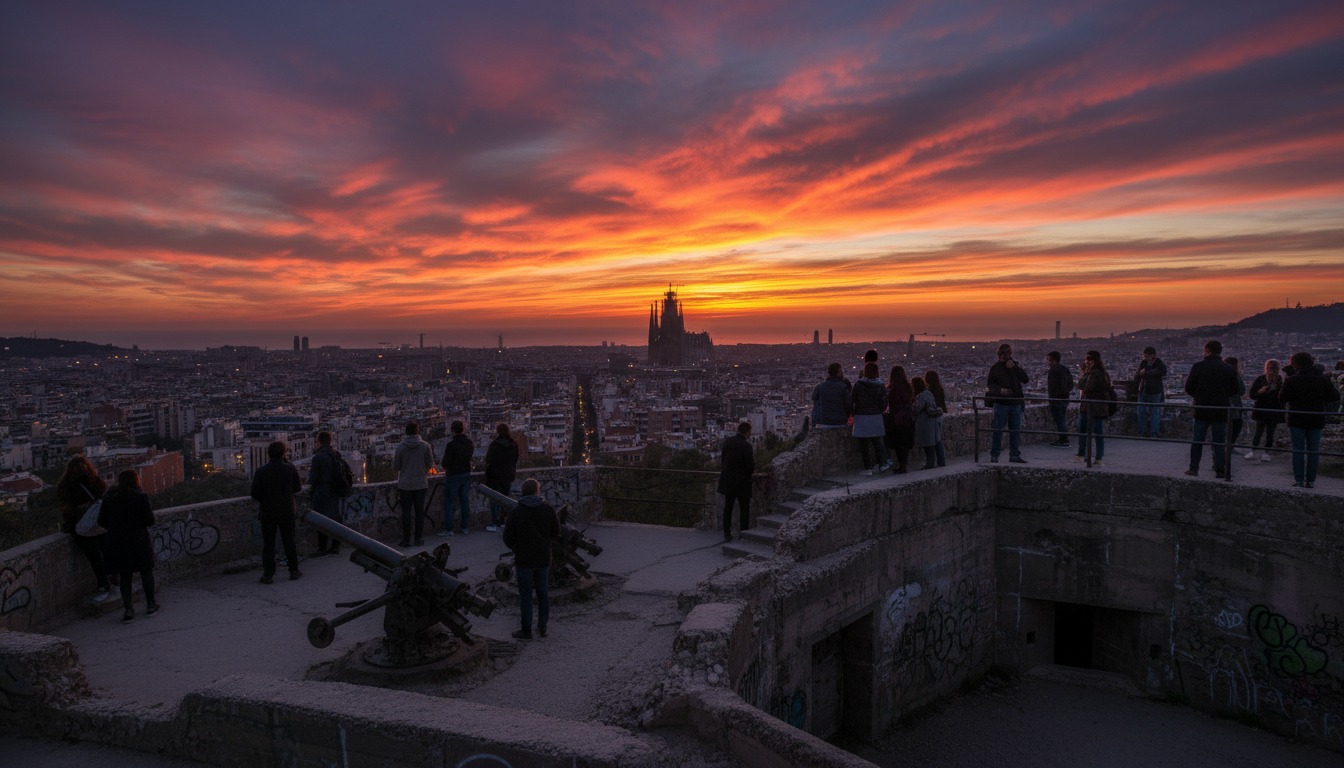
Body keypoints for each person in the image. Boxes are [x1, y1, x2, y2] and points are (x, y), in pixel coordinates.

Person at [502, 477, 560, 640]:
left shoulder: (516, 512)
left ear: (523, 493)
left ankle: (526, 629)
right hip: (543, 558)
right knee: (542, 593)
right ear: (537, 491)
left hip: (524, 559)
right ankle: (543, 626)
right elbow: (556, 532)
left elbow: (507, 537)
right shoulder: (547, 509)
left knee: (526, 595)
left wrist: (516, 548)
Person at [98, 469, 158, 623]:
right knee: (146, 572)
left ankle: (128, 609)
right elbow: (150, 520)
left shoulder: (109, 498)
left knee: (125, 576)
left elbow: (101, 521)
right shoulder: (141, 497)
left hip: (118, 542)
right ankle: (151, 604)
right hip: (138, 540)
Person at [1278, 351, 1341, 489]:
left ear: (1295, 365)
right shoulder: (1322, 379)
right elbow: (1335, 396)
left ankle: (1299, 480)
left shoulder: (1292, 380)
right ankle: (1311, 481)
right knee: (1313, 451)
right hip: (1316, 418)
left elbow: (1282, 398)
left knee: (1298, 451)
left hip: (1297, 419)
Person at [55, 455, 112, 602]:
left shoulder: (66, 487)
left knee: (94, 557)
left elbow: (66, 509)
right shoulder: (95, 481)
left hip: (81, 527)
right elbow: (104, 495)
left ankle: (104, 584)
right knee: (105, 552)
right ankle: (114, 579)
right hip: (100, 523)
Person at [1183, 340, 1239, 478]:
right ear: (1220, 351)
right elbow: (1235, 390)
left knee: (1197, 440)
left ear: (1206, 350)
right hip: (1220, 409)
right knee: (1219, 442)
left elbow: (1188, 388)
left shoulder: (1198, 366)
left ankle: (1194, 468)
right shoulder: (1229, 369)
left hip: (1202, 409)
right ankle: (1220, 470)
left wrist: (1199, 396)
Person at [251, 440, 302, 584]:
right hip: (287, 510)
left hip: (268, 512)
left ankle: (268, 574)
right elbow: (298, 488)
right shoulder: (290, 469)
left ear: (268, 454)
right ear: (283, 453)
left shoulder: (261, 471)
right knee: (289, 542)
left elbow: (254, 493)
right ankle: (294, 570)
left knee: (269, 545)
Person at [987, 344, 1029, 463]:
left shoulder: (1015, 366)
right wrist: (1001, 390)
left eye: (1007, 353)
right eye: (1003, 353)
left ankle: (1014, 455)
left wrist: (1015, 367)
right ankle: (995, 455)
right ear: (999, 354)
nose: (1005, 355)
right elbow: (989, 386)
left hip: (1015, 403)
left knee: (1015, 431)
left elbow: (1025, 379)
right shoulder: (995, 368)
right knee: (998, 431)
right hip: (1001, 403)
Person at [393, 421, 433, 546]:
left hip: (405, 484)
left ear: (406, 432)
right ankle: (418, 538)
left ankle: (406, 539)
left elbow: (396, 466)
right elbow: (430, 464)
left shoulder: (400, 447)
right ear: (417, 431)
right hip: (421, 483)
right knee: (419, 512)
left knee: (406, 513)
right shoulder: (425, 446)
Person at [306, 431, 344, 557]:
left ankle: (322, 547)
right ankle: (335, 545)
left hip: (322, 491)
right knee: (335, 518)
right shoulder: (335, 454)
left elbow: (312, 479)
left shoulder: (318, 457)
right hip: (335, 490)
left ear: (319, 441)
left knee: (320, 520)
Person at [717, 422, 755, 541]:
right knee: (744, 509)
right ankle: (743, 533)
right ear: (747, 432)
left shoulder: (728, 442)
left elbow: (723, 460)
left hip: (728, 481)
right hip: (742, 483)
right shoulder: (747, 446)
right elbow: (750, 467)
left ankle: (726, 533)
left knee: (728, 508)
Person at [852, 362, 890, 474]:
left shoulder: (858, 384)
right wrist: (880, 410)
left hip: (862, 416)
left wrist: (855, 411)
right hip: (876, 416)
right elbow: (883, 402)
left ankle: (868, 468)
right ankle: (881, 464)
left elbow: (852, 399)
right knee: (877, 442)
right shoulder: (880, 385)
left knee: (864, 444)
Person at [438, 420, 474, 536]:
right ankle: (465, 527)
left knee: (449, 502)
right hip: (465, 474)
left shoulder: (451, 445)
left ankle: (449, 529)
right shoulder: (469, 443)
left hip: (453, 475)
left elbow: (445, 463)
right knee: (464, 501)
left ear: (453, 431)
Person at [1075, 351, 1112, 465]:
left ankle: (1082, 455)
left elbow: (1082, 386)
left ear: (1095, 361)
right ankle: (1099, 458)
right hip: (1099, 407)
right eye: (1087, 359)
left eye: (1089, 359)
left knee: (1083, 431)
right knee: (1098, 433)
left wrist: (1085, 373)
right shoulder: (1104, 373)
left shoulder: (1093, 373)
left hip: (1089, 406)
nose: (1087, 361)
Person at [484, 423, 519, 532]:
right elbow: (515, 460)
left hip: (495, 475)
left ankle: (495, 521)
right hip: (508, 475)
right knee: (505, 498)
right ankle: (503, 520)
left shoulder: (494, 445)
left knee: (494, 499)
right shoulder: (513, 445)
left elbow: (488, 459)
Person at [1246, 359, 1284, 461]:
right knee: (1259, 432)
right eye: (1269, 368)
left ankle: (1266, 452)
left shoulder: (1279, 380)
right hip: (1263, 410)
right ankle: (1255, 451)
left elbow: (1282, 397)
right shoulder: (1260, 379)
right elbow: (1252, 395)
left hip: (1271, 411)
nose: (1270, 370)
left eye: (1273, 368)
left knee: (1269, 433)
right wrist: (1260, 392)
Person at [885, 366, 916, 473]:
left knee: (898, 443)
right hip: (908, 418)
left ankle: (900, 465)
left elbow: (890, 404)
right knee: (905, 443)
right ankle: (904, 464)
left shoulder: (892, 389)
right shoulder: (908, 387)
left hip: (896, 418)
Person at [1133, 347, 1167, 438]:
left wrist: (1146, 373)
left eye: (1146, 355)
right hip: (1144, 390)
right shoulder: (1144, 362)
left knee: (1154, 412)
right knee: (1142, 412)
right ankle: (1143, 432)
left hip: (1154, 391)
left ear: (1152, 355)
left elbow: (1163, 371)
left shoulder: (1158, 363)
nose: (1144, 357)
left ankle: (1153, 433)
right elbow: (1138, 374)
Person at [912, 377, 943, 470]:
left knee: (928, 445)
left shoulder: (922, 396)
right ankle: (940, 462)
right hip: (930, 422)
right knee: (933, 443)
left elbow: (917, 409)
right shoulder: (928, 393)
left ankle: (930, 464)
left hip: (925, 423)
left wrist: (912, 405)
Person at [812, 363, 853, 428]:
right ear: (838, 373)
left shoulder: (820, 387)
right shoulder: (843, 387)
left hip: (824, 422)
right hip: (840, 422)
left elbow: (814, 399)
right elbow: (848, 406)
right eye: (841, 372)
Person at [1045, 351, 1073, 447]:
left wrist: (1053, 396)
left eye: (1048, 360)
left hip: (1056, 399)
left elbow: (1052, 386)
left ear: (1052, 360)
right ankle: (1064, 439)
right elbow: (1071, 384)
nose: (1047, 362)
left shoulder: (1053, 370)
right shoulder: (1065, 369)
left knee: (1059, 420)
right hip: (1065, 398)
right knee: (1062, 419)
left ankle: (1064, 440)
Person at [924, 369, 949, 467]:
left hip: (933, 416)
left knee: (934, 441)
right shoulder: (940, 389)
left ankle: (932, 463)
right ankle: (941, 462)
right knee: (938, 440)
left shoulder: (928, 391)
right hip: (940, 415)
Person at [1224, 357, 1247, 449]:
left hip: (1222, 404)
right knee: (1237, 425)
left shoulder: (1220, 374)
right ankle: (1230, 446)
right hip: (1235, 405)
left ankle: (1224, 447)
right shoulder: (1236, 375)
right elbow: (1242, 390)